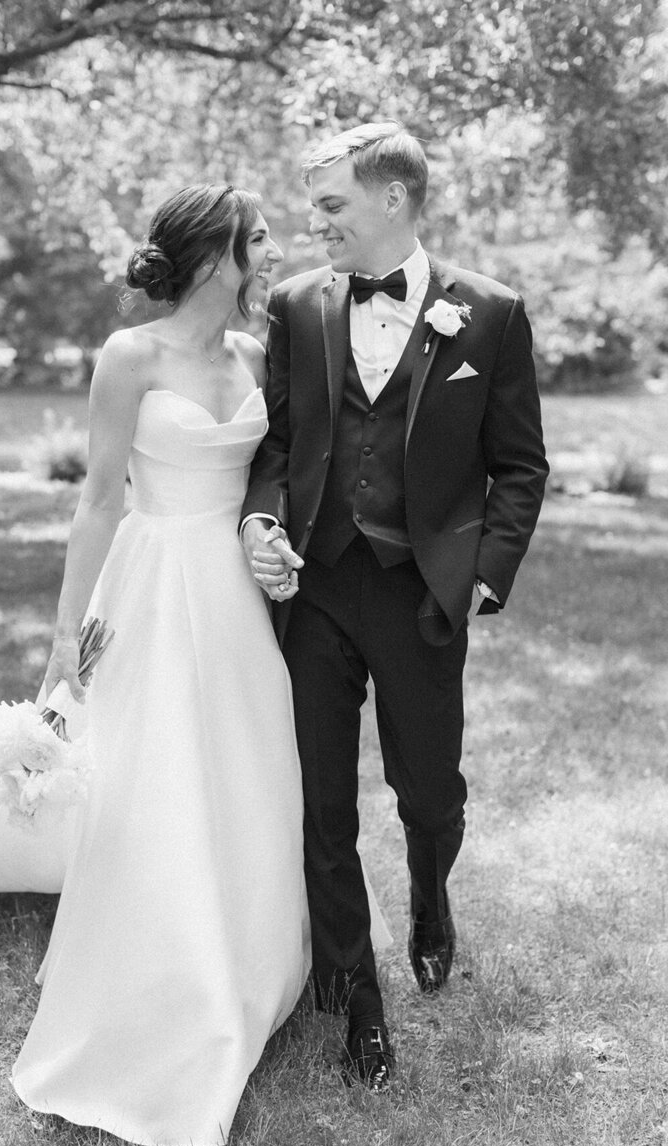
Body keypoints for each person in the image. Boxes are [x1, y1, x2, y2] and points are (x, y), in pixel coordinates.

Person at [0, 184, 315, 1146]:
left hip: (235, 595)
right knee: (152, 768)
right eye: (260, 238)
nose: (275, 250)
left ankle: (256, 950)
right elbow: (98, 502)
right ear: (215, 257)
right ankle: (165, 961)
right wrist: (64, 632)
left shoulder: (257, 352)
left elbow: (274, 472)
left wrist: (269, 539)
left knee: (245, 763)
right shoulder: (130, 357)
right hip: (151, 581)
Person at [242, 123, 549, 1092]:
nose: (311, 221)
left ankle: (428, 891)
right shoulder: (294, 308)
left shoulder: (490, 315)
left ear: (390, 200)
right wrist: (257, 520)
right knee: (319, 802)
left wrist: (481, 577)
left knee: (427, 793)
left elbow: (519, 467)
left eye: (329, 204)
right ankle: (354, 998)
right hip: (318, 589)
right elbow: (273, 450)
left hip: (421, 598)